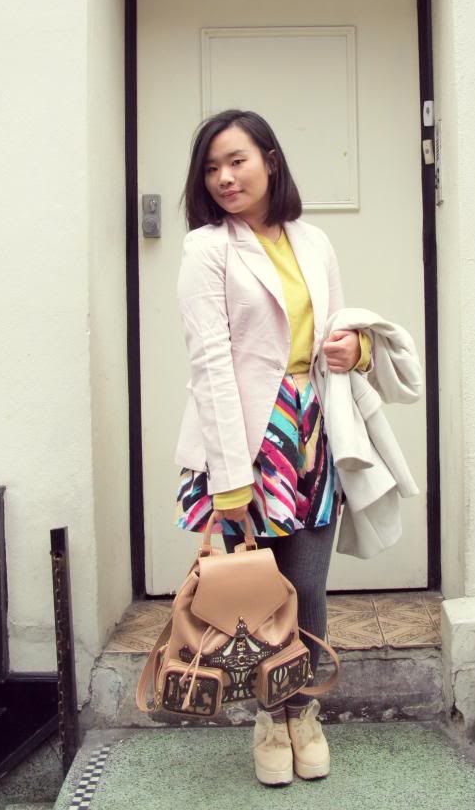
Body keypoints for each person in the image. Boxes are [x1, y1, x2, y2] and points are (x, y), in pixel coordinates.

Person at [173, 109, 372, 786]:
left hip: (310, 430)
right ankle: (268, 717)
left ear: (270, 160)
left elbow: (338, 328)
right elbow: (210, 362)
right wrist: (230, 477)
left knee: (307, 585)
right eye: (211, 168)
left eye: (237, 161)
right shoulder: (206, 249)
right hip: (244, 438)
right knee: (256, 593)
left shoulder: (314, 241)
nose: (225, 178)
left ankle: (303, 713)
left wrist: (355, 349)